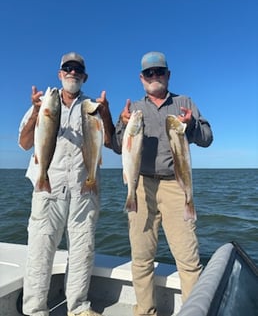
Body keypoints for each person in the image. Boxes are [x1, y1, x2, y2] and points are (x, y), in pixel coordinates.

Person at [111, 51, 213, 316]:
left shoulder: (184, 102)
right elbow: (114, 146)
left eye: (159, 72)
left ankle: (194, 312)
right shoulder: (133, 109)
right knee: (142, 258)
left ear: (168, 74)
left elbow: (207, 138)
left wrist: (190, 125)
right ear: (141, 78)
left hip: (175, 185)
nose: (154, 76)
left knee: (189, 260)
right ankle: (145, 311)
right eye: (148, 73)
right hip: (140, 185)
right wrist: (122, 126)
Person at [18, 52, 114, 316]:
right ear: (60, 74)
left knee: (83, 248)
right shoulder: (44, 102)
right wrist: (37, 112)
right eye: (67, 68)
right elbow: (26, 143)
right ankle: (35, 309)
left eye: (78, 69)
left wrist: (105, 115)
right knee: (40, 247)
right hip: (47, 186)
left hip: (84, 188)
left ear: (85, 77)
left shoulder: (91, 106)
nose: (72, 72)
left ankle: (79, 306)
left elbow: (109, 143)